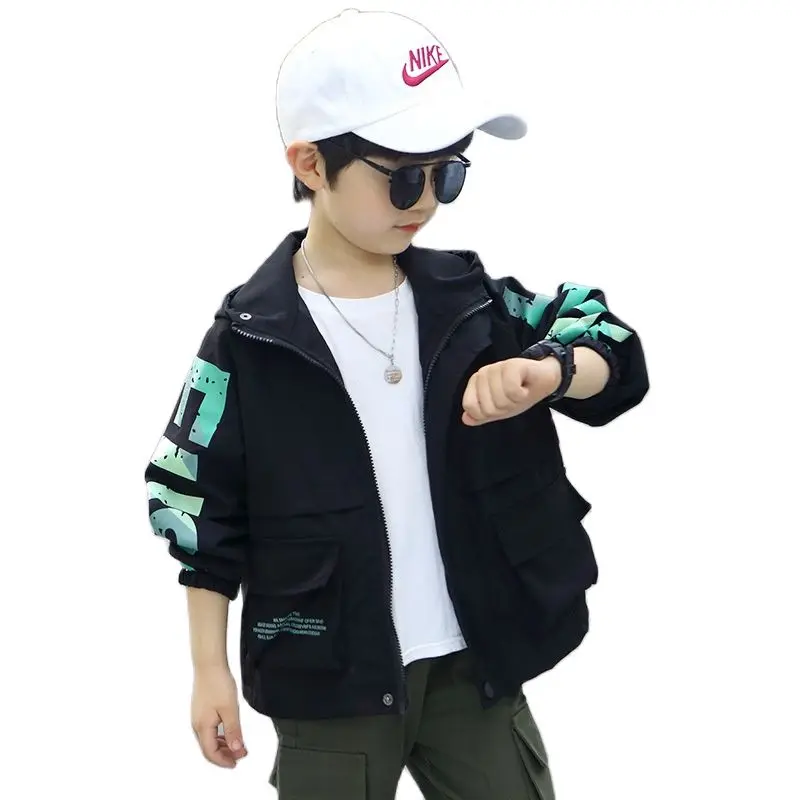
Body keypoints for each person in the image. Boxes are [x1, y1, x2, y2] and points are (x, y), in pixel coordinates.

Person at [144, 8, 649, 799]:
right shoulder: (249, 341)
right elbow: (199, 511)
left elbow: (608, 344)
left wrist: (551, 371)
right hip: (329, 679)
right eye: (406, 177)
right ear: (311, 164)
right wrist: (209, 669)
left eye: (450, 173)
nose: (428, 201)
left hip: (473, 668)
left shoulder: (472, 303)